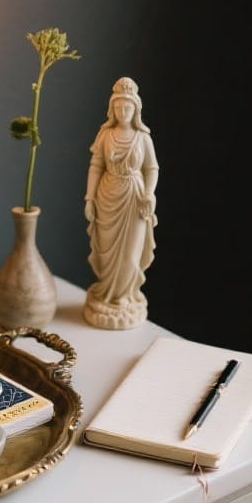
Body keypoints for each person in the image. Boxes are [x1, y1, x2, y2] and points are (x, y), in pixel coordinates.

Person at [83, 76, 158, 329]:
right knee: (106, 253)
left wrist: (149, 193)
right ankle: (107, 294)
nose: (123, 111)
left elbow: (152, 168)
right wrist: (90, 198)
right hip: (107, 196)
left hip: (134, 199)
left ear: (136, 109)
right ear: (112, 109)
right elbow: (95, 166)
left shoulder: (142, 138)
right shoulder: (105, 135)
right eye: (118, 107)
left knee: (130, 255)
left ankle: (123, 297)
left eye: (127, 107)